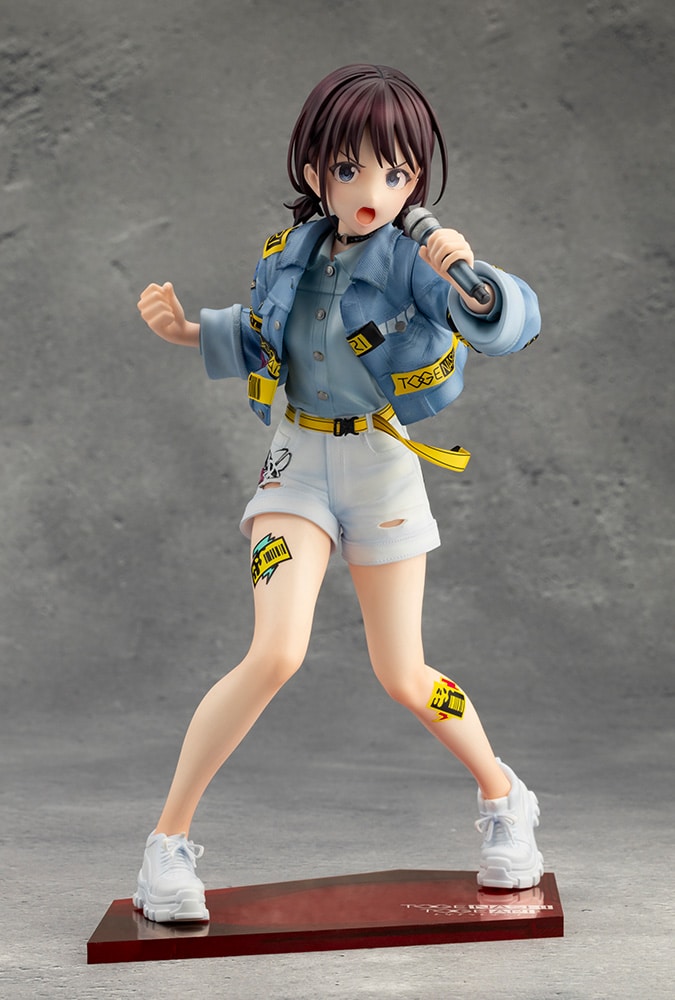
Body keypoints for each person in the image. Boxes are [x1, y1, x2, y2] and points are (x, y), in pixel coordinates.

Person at [134, 63, 543, 923]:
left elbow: (503, 323)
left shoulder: (415, 261)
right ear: (315, 169)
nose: (371, 192)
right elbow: (262, 335)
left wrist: (470, 275)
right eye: (351, 169)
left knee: (405, 675)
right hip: (295, 464)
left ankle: (503, 797)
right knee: (274, 652)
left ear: (416, 180)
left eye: (395, 173)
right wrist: (190, 330)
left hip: (380, 467)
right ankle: (166, 845)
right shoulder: (289, 252)